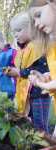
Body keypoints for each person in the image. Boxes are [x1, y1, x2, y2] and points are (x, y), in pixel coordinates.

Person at [8, 12, 51, 133]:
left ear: (31, 28)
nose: (15, 34)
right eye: (13, 31)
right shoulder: (25, 48)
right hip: (28, 95)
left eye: (18, 30)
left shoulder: (39, 46)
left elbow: (38, 71)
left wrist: (19, 73)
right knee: (31, 123)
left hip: (40, 95)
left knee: (40, 126)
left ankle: (46, 145)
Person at [28, 0, 56, 136]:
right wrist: (46, 76)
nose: (37, 24)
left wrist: (40, 84)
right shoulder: (52, 46)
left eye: (38, 15)